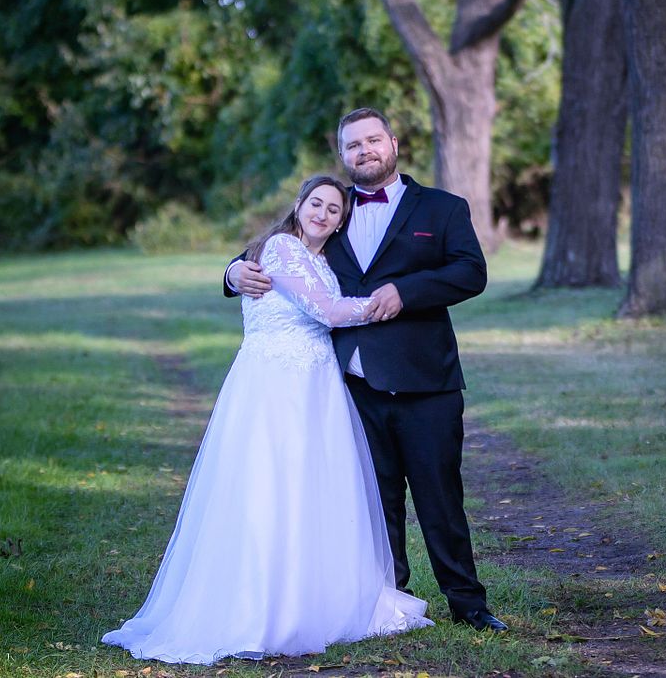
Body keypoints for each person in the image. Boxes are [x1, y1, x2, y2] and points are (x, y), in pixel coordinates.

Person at [103, 176, 430, 664]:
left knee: (314, 490)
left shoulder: (322, 259)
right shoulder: (279, 247)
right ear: (298, 206)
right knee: (267, 488)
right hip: (275, 388)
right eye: (315, 203)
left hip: (317, 388)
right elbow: (328, 312)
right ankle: (259, 609)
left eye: (334, 209)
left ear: (342, 221)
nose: (322, 213)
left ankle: (319, 600)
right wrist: (384, 303)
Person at [225, 107, 507, 632]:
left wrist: (407, 291)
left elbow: (471, 271)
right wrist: (232, 270)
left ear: (393, 143)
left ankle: (468, 604)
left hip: (426, 379)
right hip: (350, 384)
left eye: (373, 140)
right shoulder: (332, 210)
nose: (364, 151)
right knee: (372, 501)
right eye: (353, 145)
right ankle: (385, 598)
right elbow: (269, 252)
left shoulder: (442, 208)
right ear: (343, 155)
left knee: (440, 496)